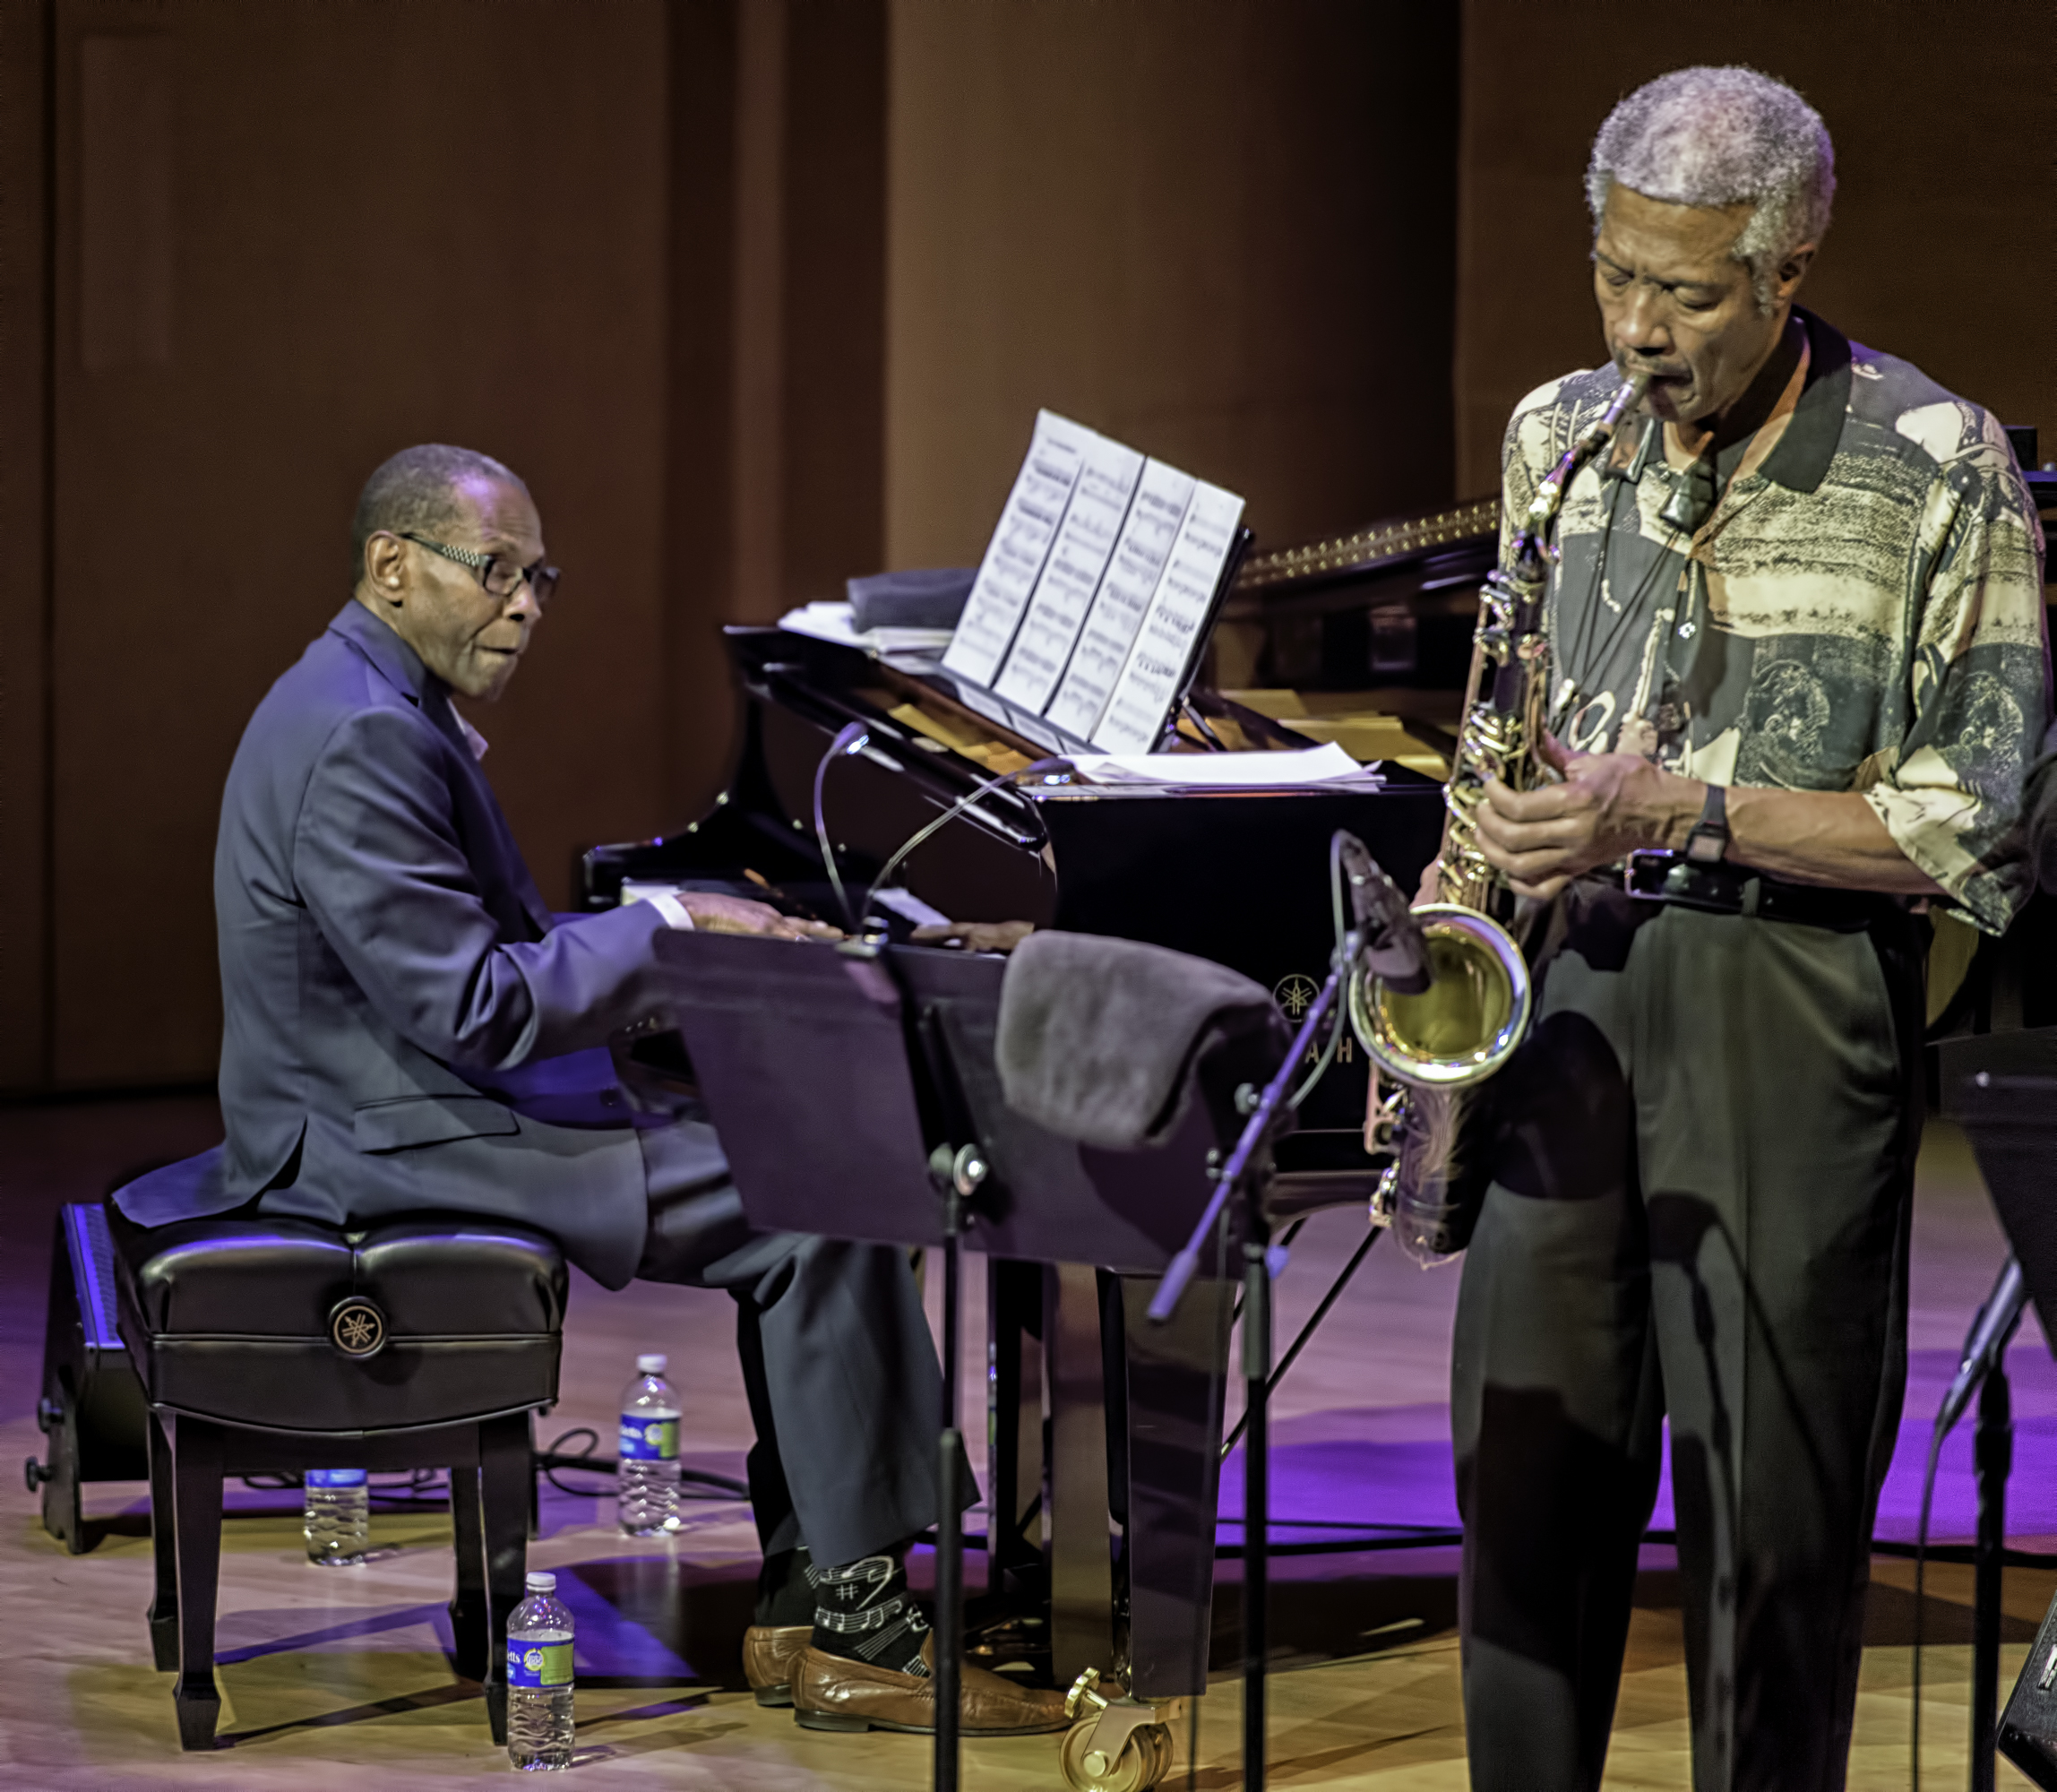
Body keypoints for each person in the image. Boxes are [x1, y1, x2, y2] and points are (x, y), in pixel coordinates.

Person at [113, 444, 1065, 1738]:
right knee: (818, 1190)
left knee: (804, 1160)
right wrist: (676, 937)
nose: (526, 605)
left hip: (392, 1100)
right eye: (495, 572)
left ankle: (809, 1597)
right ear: (392, 568)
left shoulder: (363, 696)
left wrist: (683, 958)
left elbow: (464, 959)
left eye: (539, 578)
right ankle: (853, 1623)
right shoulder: (359, 740)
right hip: (372, 1142)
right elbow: (473, 1005)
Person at [1442, 67, 2048, 1791]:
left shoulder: (1940, 461)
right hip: (1566, 995)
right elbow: (1508, 722)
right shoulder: (1555, 434)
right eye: (1616, 276)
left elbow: (1977, 820)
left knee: (1769, 1523)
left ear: (1790, 267)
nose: (1638, 328)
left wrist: (1685, 811)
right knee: (1527, 1487)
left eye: (1687, 293)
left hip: (1788, 998)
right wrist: (1469, 890)